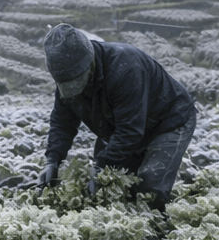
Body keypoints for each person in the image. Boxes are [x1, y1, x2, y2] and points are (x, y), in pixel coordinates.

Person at [36, 23, 198, 209]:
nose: (72, 89)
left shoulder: (126, 67)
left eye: (76, 80)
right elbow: (62, 122)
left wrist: (101, 166)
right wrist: (52, 160)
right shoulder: (66, 78)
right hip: (118, 125)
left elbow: (130, 131)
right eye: (66, 84)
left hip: (169, 121)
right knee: (109, 190)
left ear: (90, 64)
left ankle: (158, 233)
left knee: (149, 192)